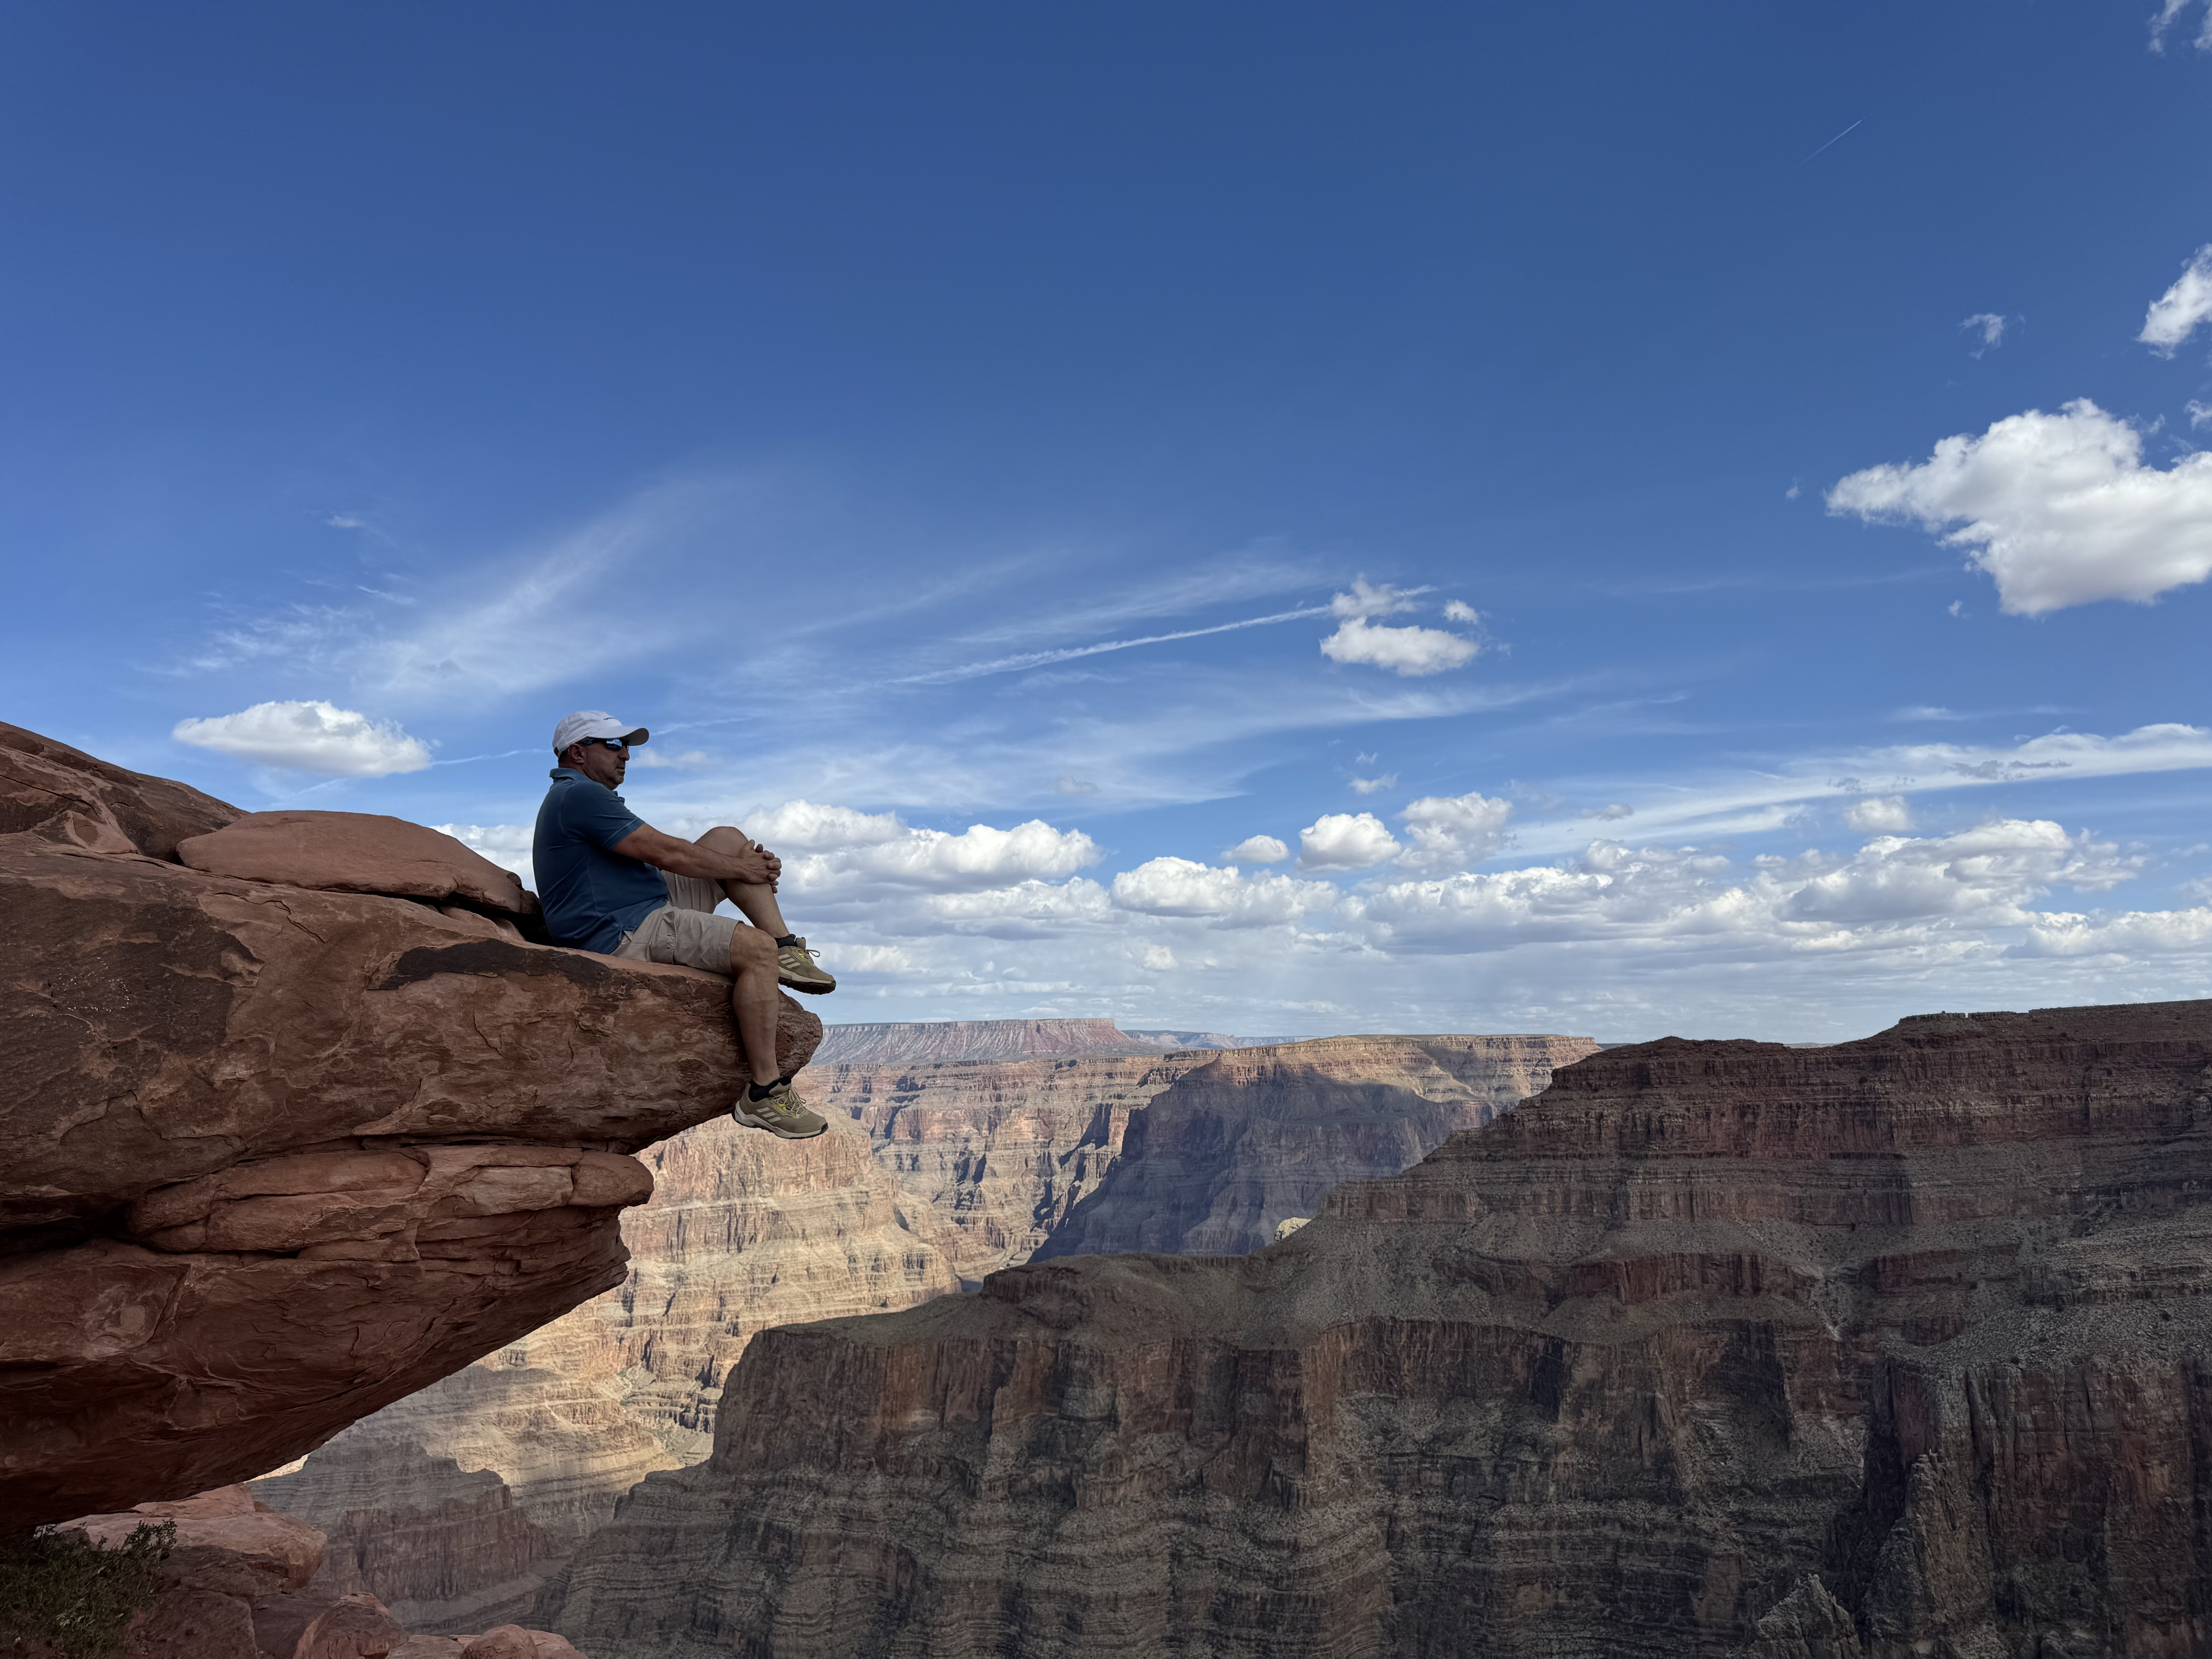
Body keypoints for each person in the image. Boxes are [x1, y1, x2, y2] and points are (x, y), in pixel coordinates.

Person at [532, 710, 834, 1139]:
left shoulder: (583, 796)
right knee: (756, 950)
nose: (626, 757)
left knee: (727, 838)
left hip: (644, 903)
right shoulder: (577, 796)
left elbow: (668, 855)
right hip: (623, 930)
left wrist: (739, 863)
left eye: (628, 748)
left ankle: (787, 945)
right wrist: (744, 870)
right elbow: (663, 851)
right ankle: (765, 1092)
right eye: (615, 746)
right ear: (578, 752)